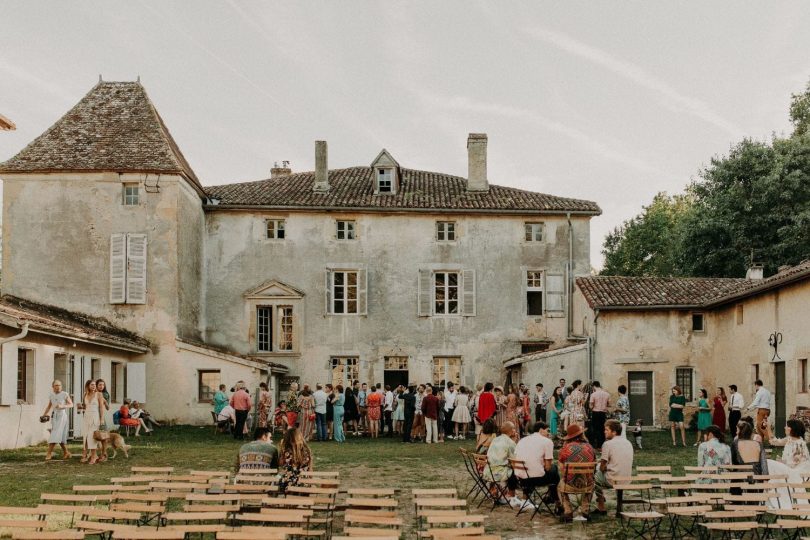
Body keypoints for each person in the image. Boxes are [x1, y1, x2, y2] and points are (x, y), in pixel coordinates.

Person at [514, 421, 560, 511]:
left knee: (531, 469)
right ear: (541, 430)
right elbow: (548, 467)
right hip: (537, 479)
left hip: (522, 479)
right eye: (547, 430)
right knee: (554, 469)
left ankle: (525, 500)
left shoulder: (522, 440)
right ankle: (556, 499)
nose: (549, 433)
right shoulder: (547, 442)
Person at [558, 423, 597, 522]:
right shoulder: (590, 447)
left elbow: (561, 468)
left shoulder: (566, 448)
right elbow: (594, 466)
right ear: (581, 434)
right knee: (592, 481)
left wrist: (567, 477)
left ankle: (568, 511)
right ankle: (585, 509)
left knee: (559, 486)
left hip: (570, 484)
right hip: (587, 484)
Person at [594, 420, 634, 515]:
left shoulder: (607, 444)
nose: (604, 431)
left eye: (607, 430)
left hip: (612, 479)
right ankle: (619, 507)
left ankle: (601, 506)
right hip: (626, 478)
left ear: (614, 432)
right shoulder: (628, 443)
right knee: (615, 472)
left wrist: (603, 466)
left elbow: (602, 468)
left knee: (593, 478)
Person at [485, 422, 519, 505]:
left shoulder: (495, 439)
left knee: (510, 468)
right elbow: (514, 459)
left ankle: (494, 491)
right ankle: (511, 496)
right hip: (500, 473)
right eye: (514, 428)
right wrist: (514, 442)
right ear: (510, 431)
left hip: (488, 471)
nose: (515, 430)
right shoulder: (510, 442)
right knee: (515, 471)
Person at [42, 380, 73, 461]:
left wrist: (63, 406)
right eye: (56, 385)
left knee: (55, 434)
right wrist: (44, 414)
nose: (58, 387)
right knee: (60, 435)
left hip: (62, 416)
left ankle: (49, 453)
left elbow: (71, 404)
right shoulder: (51, 395)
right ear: (53, 387)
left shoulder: (64, 394)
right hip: (55, 416)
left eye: (59, 385)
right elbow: (49, 406)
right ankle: (66, 452)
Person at [277, 427, 313, 492]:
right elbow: (310, 472)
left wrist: (281, 449)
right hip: (304, 484)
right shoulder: (307, 451)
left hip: (287, 484)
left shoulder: (286, 452)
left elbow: (280, 464)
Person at [80, 380, 106, 465]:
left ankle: (94, 456)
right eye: (92, 384)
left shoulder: (99, 394)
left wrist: (102, 419)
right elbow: (85, 407)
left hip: (95, 417)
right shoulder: (85, 394)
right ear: (88, 385)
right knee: (86, 436)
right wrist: (80, 407)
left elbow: (102, 407)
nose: (94, 386)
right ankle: (88, 454)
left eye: (95, 384)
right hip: (86, 417)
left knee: (92, 436)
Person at [589, 381, 610, 449]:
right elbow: (609, 404)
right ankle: (602, 445)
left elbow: (591, 406)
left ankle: (596, 445)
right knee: (602, 429)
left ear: (594, 386)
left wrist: (591, 406)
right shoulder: (607, 394)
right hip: (603, 413)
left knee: (595, 429)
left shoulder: (593, 394)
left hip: (596, 413)